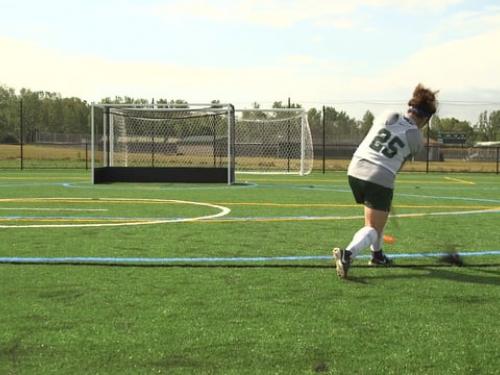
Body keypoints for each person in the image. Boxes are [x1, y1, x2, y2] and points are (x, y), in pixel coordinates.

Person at [334, 83, 438, 279]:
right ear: (425, 118)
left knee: (373, 224)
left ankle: (377, 256)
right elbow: (397, 166)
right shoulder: (417, 138)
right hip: (380, 176)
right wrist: (386, 187)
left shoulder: (388, 114)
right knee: (373, 228)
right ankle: (347, 255)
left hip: (355, 168)